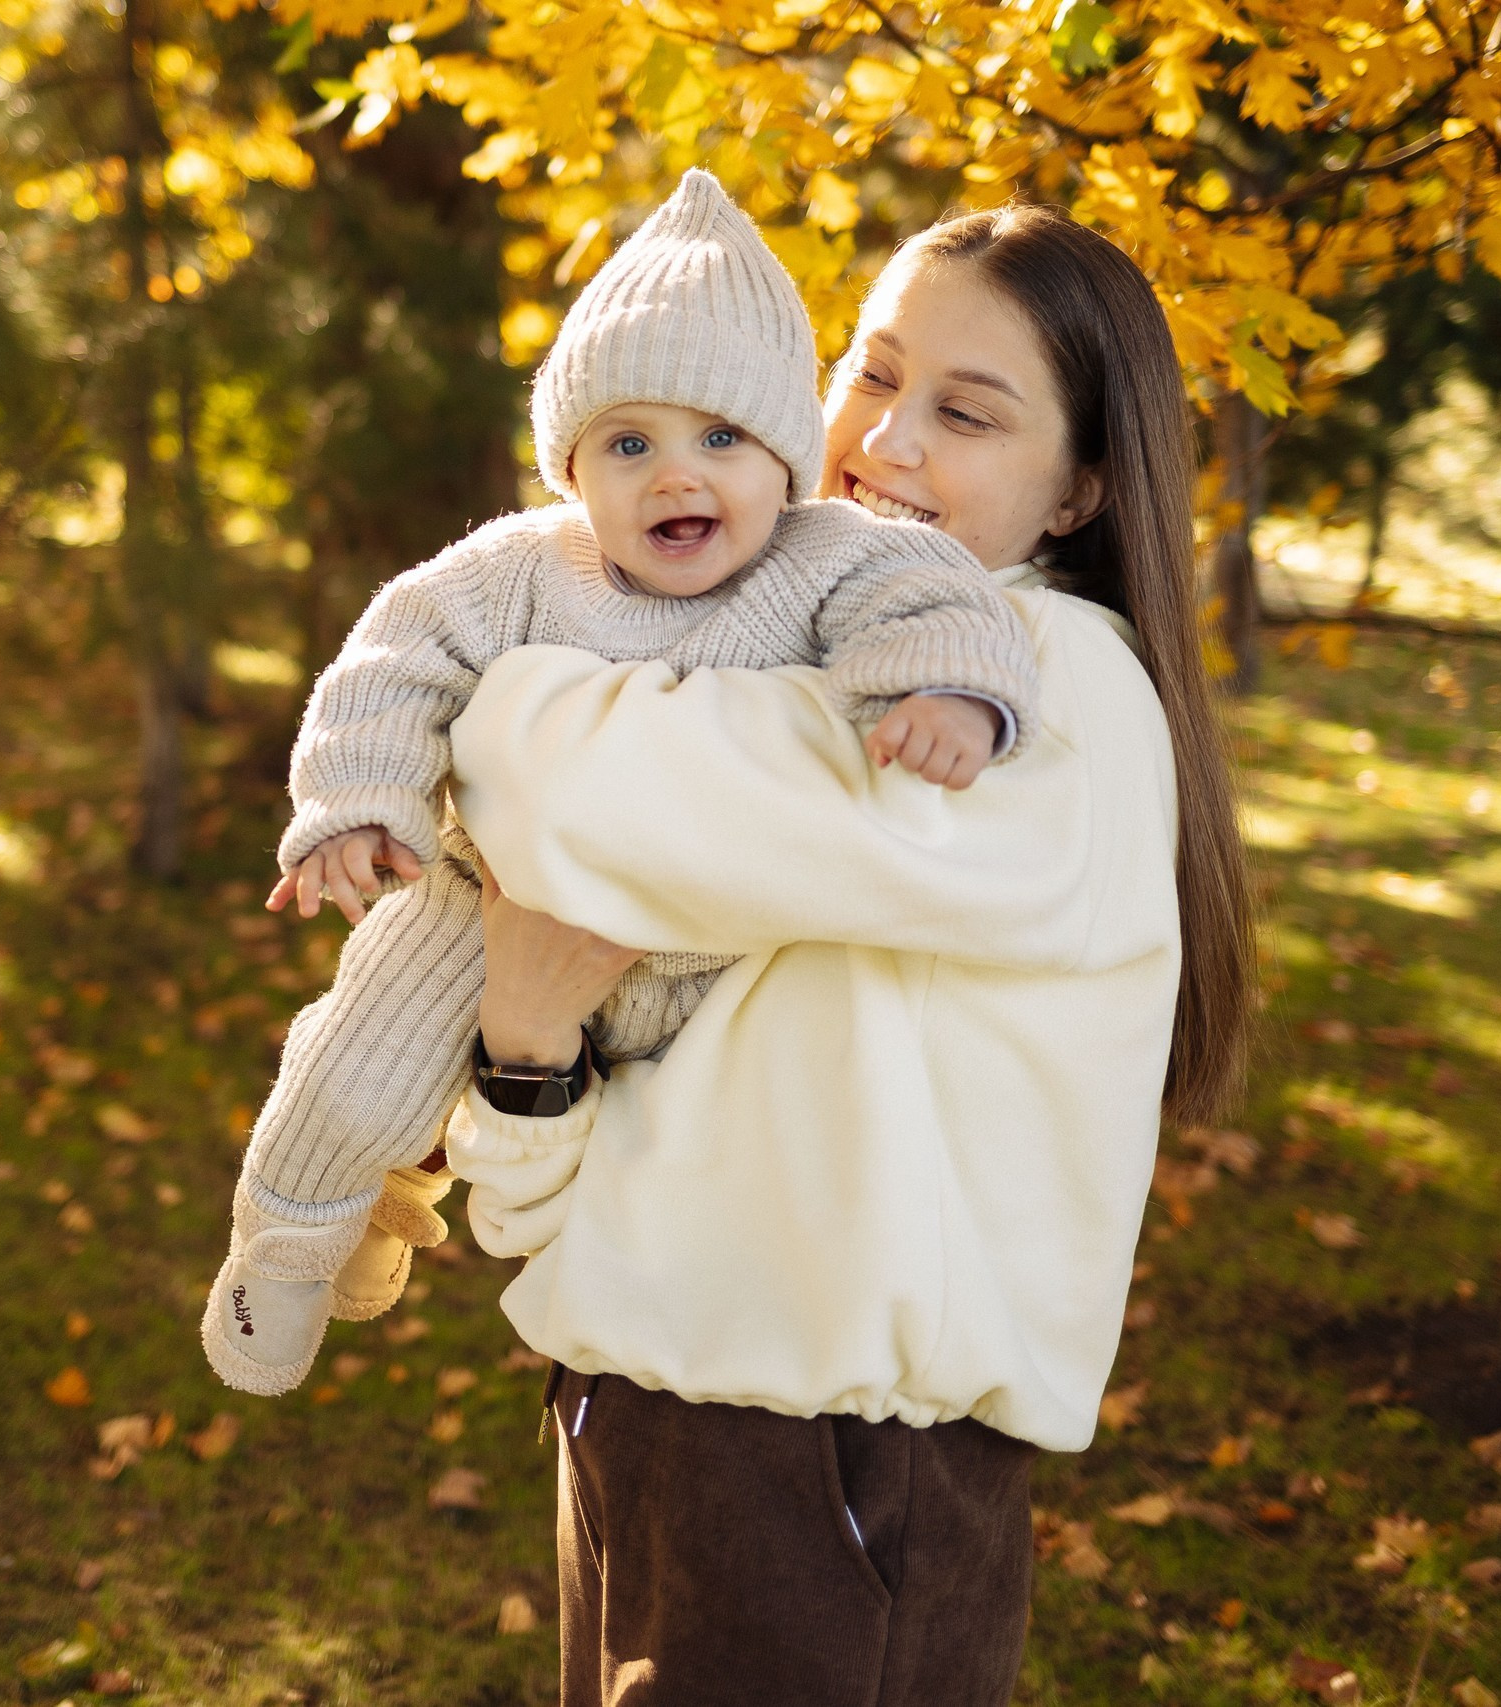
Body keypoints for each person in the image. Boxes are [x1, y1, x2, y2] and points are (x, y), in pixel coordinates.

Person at [440, 202, 1256, 1706]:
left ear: (1080, 487)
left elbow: (547, 776)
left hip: (824, 1469)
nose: (884, 439)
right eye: (871, 374)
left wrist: (489, 683)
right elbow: (566, 1158)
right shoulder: (791, 657)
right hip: (644, 1421)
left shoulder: (1029, 695)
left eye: (967, 410)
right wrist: (529, 1059)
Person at [202, 171, 1043, 1398]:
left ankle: (455, 1199)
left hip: (716, 968)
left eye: (720, 439)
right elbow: (393, 656)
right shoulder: (526, 566)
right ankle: (284, 1253)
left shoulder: (832, 556)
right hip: (481, 910)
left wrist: (947, 693)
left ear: (787, 462)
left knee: (689, 1156)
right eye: (629, 442)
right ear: (571, 465)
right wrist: (355, 806)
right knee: (360, 1065)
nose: (674, 476)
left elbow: (931, 598)